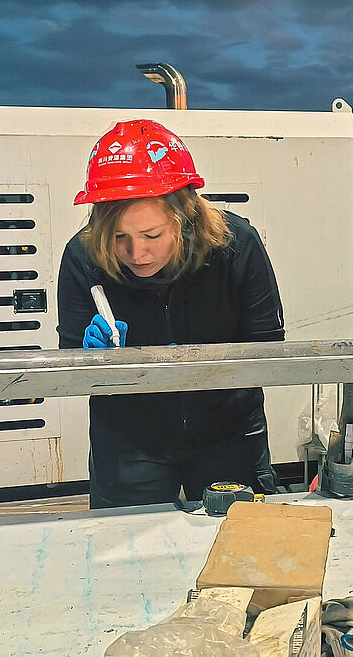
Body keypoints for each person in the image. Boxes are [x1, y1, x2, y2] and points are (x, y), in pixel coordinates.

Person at [57, 120, 285, 508]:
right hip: (128, 440)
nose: (137, 254)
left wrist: (198, 367)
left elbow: (268, 346)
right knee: (125, 555)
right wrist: (90, 355)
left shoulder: (235, 246)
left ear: (187, 216)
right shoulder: (83, 257)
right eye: (118, 238)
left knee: (238, 547)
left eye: (152, 236)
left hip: (228, 431)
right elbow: (71, 364)